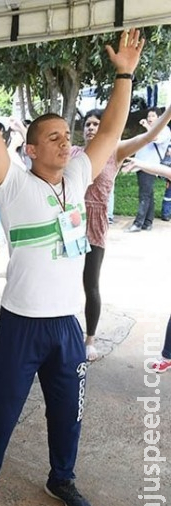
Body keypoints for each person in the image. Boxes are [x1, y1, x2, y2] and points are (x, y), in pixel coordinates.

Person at [0, 13, 143, 506]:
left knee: (69, 415)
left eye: (68, 136)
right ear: (31, 150)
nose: (67, 143)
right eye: (55, 138)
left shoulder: (80, 174)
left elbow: (109, 129)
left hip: (67, 325)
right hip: (21, 326)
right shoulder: (13, 185)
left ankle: (61, 477)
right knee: (0, 416)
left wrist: (124, 75)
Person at [71, 102, 171, 361]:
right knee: (63, 282)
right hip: (70, 224)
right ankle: (63, 334)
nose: (92, 128)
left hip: (95, 225)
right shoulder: (72, 153)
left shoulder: (115, 150)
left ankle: (89, 340)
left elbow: (149, 136)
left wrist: (169, 111)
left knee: (90, 283)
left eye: (97, 124)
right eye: (88, 125)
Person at [127, 106, 171, 232]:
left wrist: (147, 126)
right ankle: (147, 222)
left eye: (153, 116)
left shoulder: (164, 130)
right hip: (140, 166)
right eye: (148, 116)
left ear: (160, 118)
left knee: (144, 195)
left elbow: (154, 138)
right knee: (149, 194)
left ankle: (138, 223)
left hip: (150, 167)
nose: (150, 118)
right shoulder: (150, 130)